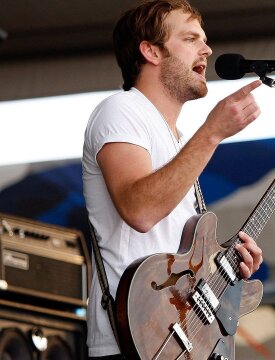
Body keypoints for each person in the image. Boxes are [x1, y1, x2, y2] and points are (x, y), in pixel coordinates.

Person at [82, 1, 264, 358]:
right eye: (190, 38)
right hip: (133, 339)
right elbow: (141, 210)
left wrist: (226, 265)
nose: (207, 49)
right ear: (150, 50)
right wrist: (212, 133)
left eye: (205, 40)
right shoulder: (122, 110)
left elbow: (174, 253)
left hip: (172, 337)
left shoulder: (177, 139)